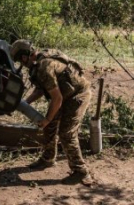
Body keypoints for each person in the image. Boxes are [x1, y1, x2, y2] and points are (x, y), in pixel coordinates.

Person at [10, 39, 94, 186]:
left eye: (20, 61)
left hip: (77, 95)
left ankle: (81, 171)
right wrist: (25, 104)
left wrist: (48, 119)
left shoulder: (44, 67)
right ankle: (48, 158)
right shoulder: (40, 60)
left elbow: (57, 98)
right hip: (66, 94)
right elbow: (41, 89)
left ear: (24, 57)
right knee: (50, 125)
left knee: (66, 133)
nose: (21, 65)